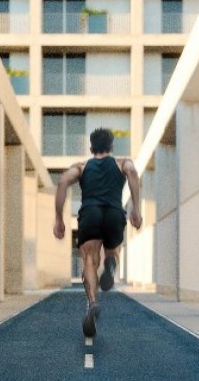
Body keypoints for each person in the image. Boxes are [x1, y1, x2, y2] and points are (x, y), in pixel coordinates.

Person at [53, 127, 143, 337]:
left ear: (91, 147)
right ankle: (111, 264)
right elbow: (132, 172)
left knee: (90, 261)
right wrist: (136, 208)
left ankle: (93, 302)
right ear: (111, 146)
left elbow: (63, 181)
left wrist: (58, 218)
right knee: (112, 250)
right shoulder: (122, 163)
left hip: (90, 214)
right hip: (113, 213)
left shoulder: (82, 167)